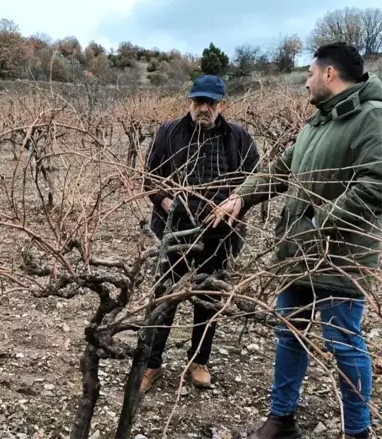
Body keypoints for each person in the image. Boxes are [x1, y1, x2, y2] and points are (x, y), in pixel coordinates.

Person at [208, 42, 379, 439]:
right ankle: (281, 419)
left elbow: (376, 185)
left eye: (309, 73)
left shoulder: (372, 118)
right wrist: (242, 196)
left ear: (329, 74)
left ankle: (357, 430)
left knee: (343, 343)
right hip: (297, 253)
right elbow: (283, 166)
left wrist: (319, 221)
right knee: (289, 334)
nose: (305, 82)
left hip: (340, 259)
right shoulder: (318, 121)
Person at [142, 74, 260, 392]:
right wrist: (166, 202)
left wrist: (239, 200)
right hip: (175, 229)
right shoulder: (168, 133)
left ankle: (199, 361)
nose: (203, 108)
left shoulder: (239, 138)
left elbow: (254, 181)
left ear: (222, 104)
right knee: (165, 296)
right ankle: (151, 364)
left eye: (210, 102)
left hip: (220, 233)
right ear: (189, 102)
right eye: (198, 102)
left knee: (209, 297)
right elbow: (150, 178)